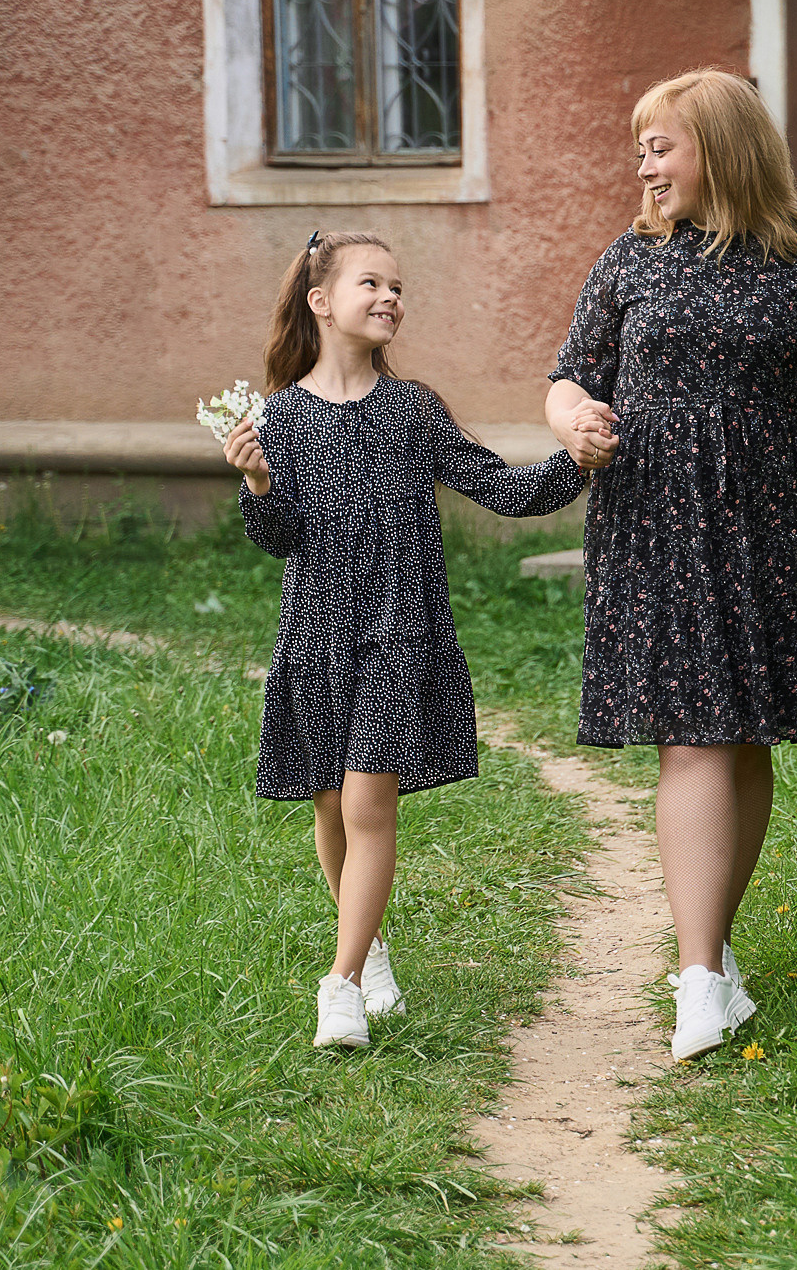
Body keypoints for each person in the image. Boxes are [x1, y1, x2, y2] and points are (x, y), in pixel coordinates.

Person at [547, 68, 797, 1062]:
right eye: (641, 148)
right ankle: (698, 979)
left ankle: (713, 953)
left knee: (746, 740)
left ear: (722, 149)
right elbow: (571, 375)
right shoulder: (631, 260)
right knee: (691, 737)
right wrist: (576, 421)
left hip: (780, 523)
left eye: (662, 146)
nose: (644, 166)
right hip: (657, 522)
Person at [222, 230, 588, 1049]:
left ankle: (341, 982)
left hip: (400, 628)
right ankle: (372, 944)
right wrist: (255, 481)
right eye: (372, 283)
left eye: (398, 287)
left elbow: (502, 486)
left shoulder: (414, 409)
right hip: (316, 633)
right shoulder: (278, 419)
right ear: (322, 302)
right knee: (328, 801)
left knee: (366, 800)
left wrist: (578, 459)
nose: (391, 297)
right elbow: (280, 537)